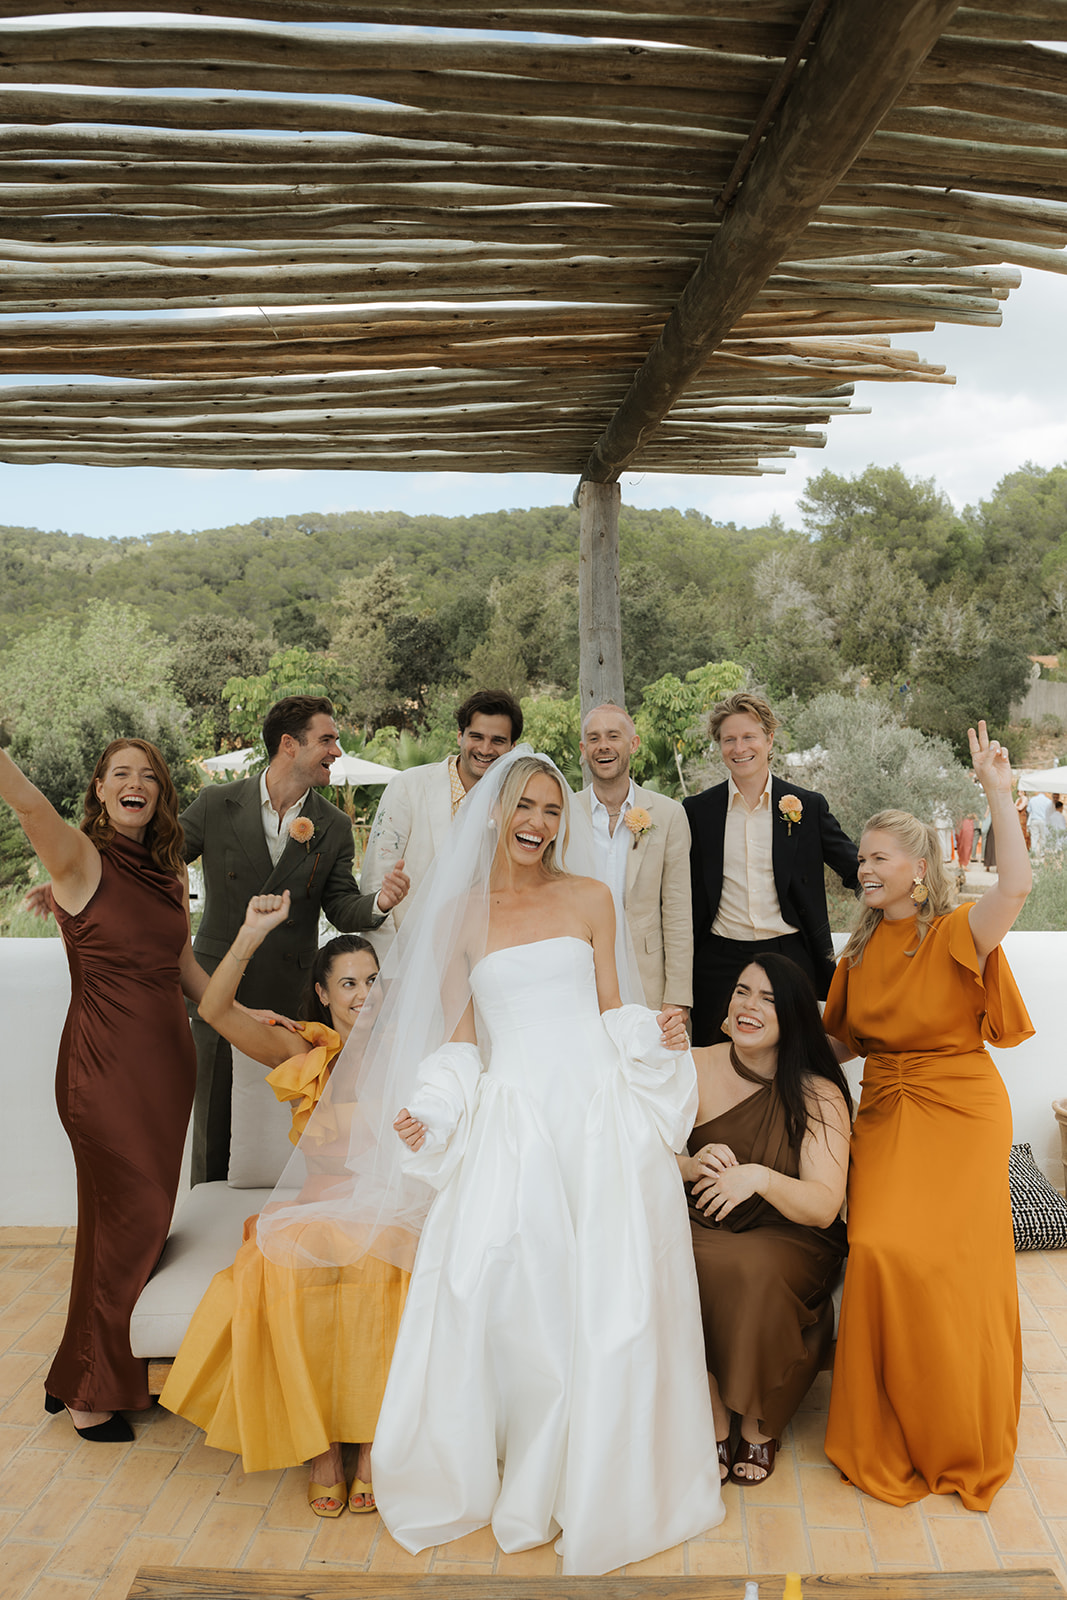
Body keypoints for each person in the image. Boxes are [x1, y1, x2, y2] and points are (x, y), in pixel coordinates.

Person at [264, 747, 724, 1572]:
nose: (538, 824)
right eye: (525, 807)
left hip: (597, 1119)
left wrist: (651, 1039)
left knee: (614, 1300)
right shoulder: (459, 918)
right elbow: (459, 1039)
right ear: (495, 812)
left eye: (552, 810)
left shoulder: (590, 898)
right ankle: (528, 1463)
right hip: (516, 1122)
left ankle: (606, 1476)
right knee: (511, 1295)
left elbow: (613, 1008)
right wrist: (433, 1110)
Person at [823, 721, 1034, 1511]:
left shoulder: (955, 932)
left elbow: (1012, 888)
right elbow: (838, 1042)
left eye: (878, 857)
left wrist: (996, 792)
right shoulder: (858, 950)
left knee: (951, 1265)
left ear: (917, 871)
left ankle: (956, 1431)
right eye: (861, 857)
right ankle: (888, 1426)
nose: (862, 866)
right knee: (876, 1249)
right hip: (885, 1110)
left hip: (959, 1110)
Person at [160, 896, 406, 1517]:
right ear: (323, 995)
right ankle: (322, 1447)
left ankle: (372, 1444)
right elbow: (212, 1008)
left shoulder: (414, 1052)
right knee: (281, 1268)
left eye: (373, 981)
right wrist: (249, 931)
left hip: (391, 1209)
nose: (363, 994)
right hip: (317, 1209)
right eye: (348, 983)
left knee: (386, 1265)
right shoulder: (303, 1054)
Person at [1, 737, 206, 1442]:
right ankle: (91, 1389)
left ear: (161, 795)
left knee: (131, 1227)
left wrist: (250, 1017)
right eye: (121, 773)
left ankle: (86, 1371)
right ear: (97, 788)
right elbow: (27, 804)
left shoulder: (169, 873)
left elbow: (187, 975)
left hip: (168, 1070)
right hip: (103, 1071)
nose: (136, 783)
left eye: (149, 776)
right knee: (130, 1223)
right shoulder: (79, 860)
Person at [180, 695, 409, 1184]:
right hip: (220, 988)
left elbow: (341, 905)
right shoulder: (216, 804)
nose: (337, 751)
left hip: (294, 994)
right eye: (327, 739)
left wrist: (380, 903)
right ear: (289, 744)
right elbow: (158, 861)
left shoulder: (335, 824)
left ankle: (291, 1213)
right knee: (212, 1123)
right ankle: (209, 1210)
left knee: (294, 1125)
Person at [683, 954, 849, 1487]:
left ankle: (758, 1423)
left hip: (790, 1236)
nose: (750, 1007)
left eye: (769, 1000)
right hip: (701, 1219)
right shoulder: (693, 1066)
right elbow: (636, 1149)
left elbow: (824, 1204)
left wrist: (760, 1178)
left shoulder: (818, 1093)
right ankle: (713, 1411)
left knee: (751, 1269)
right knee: (673, 1254)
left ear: (793, 1017)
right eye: (742, 992)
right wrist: (688, 1164)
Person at [684, 690, 859, 1046]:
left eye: (748, 736)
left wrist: (905, 903)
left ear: (769, 739)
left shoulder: (806, 807)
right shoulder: (696, 811)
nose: (739, 748)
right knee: (716, 1062)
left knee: (793, 1061)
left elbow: (855, 869)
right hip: (717, 959)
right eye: (728, 739)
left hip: (789, 955)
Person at [359, 688, 521, 949]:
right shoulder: (407, 787)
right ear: (460, 736)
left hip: (483, 960)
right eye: (476, 737)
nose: (485, 749)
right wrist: (386, 974)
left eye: (498, 741)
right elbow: (375, 885)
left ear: (513, 747)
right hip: (408, 959)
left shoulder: (520, 802)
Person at [573, 701, 693, 1014]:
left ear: (633, 744)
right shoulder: (564, 814)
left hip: (646, 979)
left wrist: (678, 999)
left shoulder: (669, 815)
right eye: (594, 739)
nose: (604, 746)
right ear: (584, 749)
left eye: (613, 736)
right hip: (579, 978)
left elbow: (679, 914)